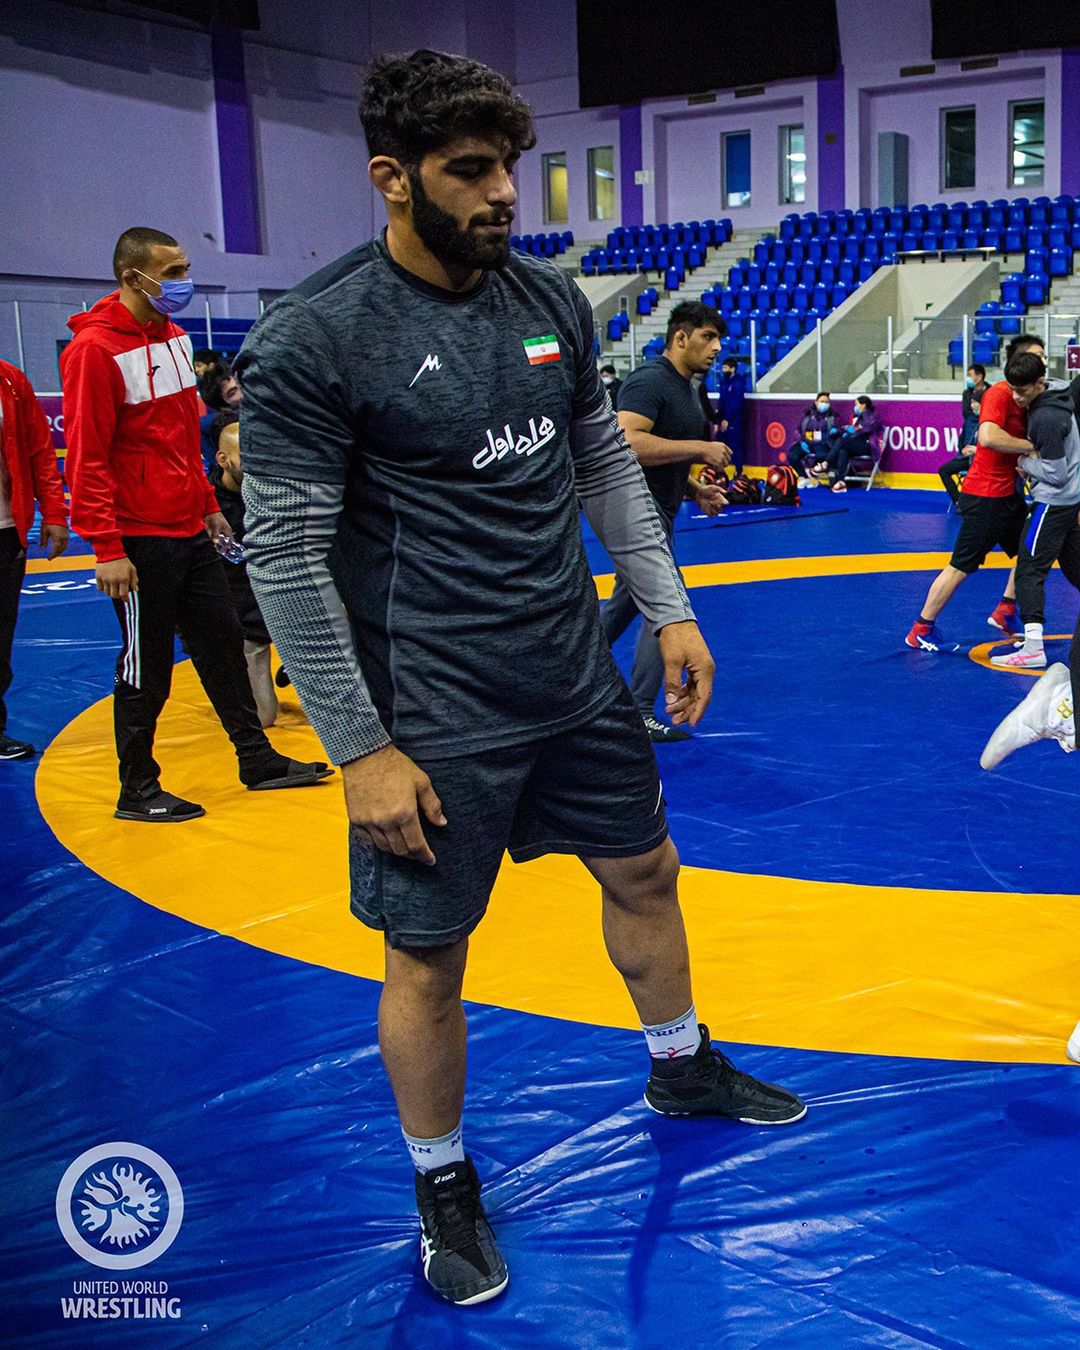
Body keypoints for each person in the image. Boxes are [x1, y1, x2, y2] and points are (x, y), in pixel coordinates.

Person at [235, 49, 805, 1310]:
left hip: (572, 673)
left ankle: (680, 1063)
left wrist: (669, 610)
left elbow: (602, 466)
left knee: (646, 870)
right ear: (392, 178)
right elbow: (283, 552)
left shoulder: (546, 298)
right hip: (433, 707)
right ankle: (442, 1182)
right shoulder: (318, 338)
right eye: (471, 170)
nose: (504, 193)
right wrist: (359, 748)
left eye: (511, 167)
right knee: (429, 955)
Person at [61, 226, 333, 822]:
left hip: (188, 527)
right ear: (133, 277)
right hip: (139, 537)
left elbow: (185, 441)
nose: (185, 281)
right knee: (146, 665)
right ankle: (137, 788)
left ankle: (257, 760)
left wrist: (208, 505)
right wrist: (106, 547)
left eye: (185, 268)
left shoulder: (178, 340)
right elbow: (87, 455)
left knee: (222, 643)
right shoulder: (94, 352)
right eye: (174, 272)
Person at [603, 301, 731, 743]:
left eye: (718, 339)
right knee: (666, 604)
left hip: (661, 507)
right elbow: (627, 441)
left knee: (627, 604)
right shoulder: (650, 380)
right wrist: (699, 449)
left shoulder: (688, 387)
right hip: (638, 510)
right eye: (707, 337)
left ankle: (563, 674)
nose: (716, 348)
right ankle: (639, 710)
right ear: (680, 337)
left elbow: (662, 454)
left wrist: (696, 489)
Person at [904, 334, 1047, 652]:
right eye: (1037, 355)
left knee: (1029, 554)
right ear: (1018, 361)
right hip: (985, 496)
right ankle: (921, 629)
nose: (1043, 361)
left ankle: (1005, 610)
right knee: (961, 566)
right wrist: (1030, 447)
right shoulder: (1000, 393)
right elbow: (988, 436)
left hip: (1006, 494)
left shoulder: (1030, 394)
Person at [988, 352, 1080, 671]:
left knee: (1028, 570)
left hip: (1054, 501)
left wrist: (1024, 462)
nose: (1016, 397)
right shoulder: (1059, 391)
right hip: (1068, 500)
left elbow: (1056, 473)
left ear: (1039, 382)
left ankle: (1032, 647)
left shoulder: (1046, 418)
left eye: (1022, 390)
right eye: (1012, 389)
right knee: (1075, 566)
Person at [0, 360, 70, 759]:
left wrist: (55, 514)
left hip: (5, 529)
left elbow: (40, 451)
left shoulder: (10, 380)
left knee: (0, 634)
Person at [208, 416, 280, 726]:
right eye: (245, 457)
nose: (255, 467)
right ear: (223, 459)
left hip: (284, 602)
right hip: (247, 621)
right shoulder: (209, 508)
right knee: (263, 717)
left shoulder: (273, 491)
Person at [938, 364, 989, 503]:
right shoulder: (969, 418)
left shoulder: (989, 423)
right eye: (970, 403)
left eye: (974, 403)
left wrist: (975, 451)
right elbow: (962, 439)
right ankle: (959, 502)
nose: (971, 406)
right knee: (944, 470)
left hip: (982, 459)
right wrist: (963, 449)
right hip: (966, 457)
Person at [816, 394, 883, 492]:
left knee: (841, 441)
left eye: (856, 404)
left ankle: (826, 463)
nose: (855, 407)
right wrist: (846, 431)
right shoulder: (859, 417)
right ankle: (840, 481)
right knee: (843, 451)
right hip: (858, 444)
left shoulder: (871, 416)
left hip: (868, 445)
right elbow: (855, 430)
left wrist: (856, 427)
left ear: (863, 405)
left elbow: (867, 428)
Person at [787, 392, 838, 483]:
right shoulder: (807, 415)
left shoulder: (832, 417)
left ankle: (815, 474)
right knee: (792, 456)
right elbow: (798, 430)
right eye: (822, 401)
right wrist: (801, 441)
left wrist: (835, 432)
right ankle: (803, 477)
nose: (824, 404)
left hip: (823, 443)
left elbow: (838, 430)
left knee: (823, 456)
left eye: (826, 402)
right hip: (806, 442)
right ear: (816, 402)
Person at [716, 356, 747, 473]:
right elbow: (721, 400)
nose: (723, 370)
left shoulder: (738, 383)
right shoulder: (723, 381)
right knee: (720, 443)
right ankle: (719, 471)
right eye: (723, 368)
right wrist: (718, 417)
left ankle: (738, 471)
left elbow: (736, 403)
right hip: (723, 418)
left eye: (725, 368)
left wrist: (727, 419)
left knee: (735, 445)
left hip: (735, 420)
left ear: (732, 369)